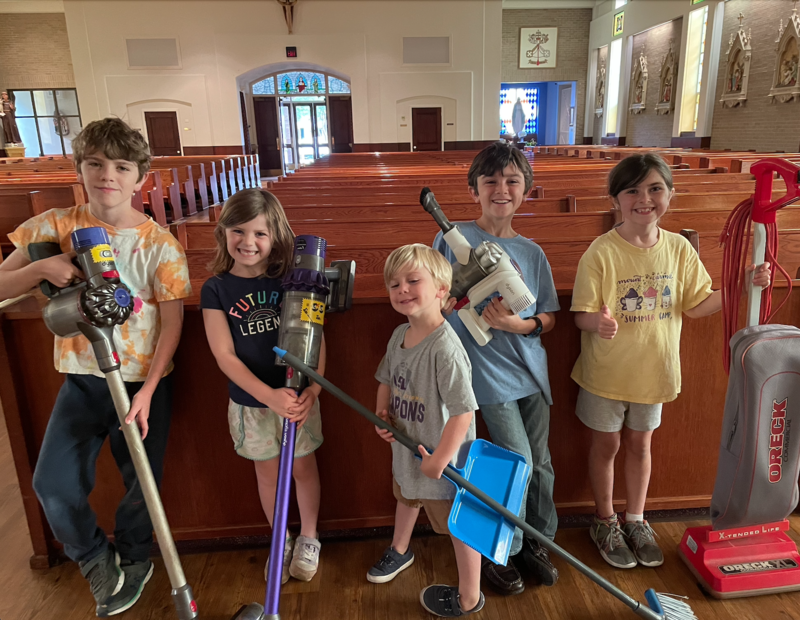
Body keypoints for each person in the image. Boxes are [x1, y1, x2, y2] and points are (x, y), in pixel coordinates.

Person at [0, 117, 192, 616]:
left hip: (143, 385)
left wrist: (149, 390)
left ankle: (135, 560)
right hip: (84, 380)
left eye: (121, 167)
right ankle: (92, 557)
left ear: (141, 178)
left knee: (140, 485)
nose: (108, 175)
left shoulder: (161, 246)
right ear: (80, 169)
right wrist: (41, 267)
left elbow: (171, 324)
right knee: (54, 484)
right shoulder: (55, 225)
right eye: (96, 164)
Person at [570, 153, 771, 570]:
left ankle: (636, 518)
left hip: (654, 371)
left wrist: (742, 285)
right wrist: (597, 323)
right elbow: (581, 314)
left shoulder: (678, 249)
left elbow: (697, 305)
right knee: (606, 445)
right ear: (616, 201)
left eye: (654, 189)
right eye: (633, 191)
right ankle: (604, 519)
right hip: (606, 373)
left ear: (670, 195)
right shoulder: (601, 252)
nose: (644, 199)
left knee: (641, 445)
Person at [433, 142, 561, 595]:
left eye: (511, 181)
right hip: (484, 372)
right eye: (490, 181)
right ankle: (503, 548)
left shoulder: (531, 252)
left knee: (541, 465)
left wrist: (516, 324)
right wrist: (444, 306)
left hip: (530, 369)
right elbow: (436, 299)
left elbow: (547, 317)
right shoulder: (453, 241)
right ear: (474, 190)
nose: (501, 189)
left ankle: (538, 542)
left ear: (525, 190)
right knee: (517, 462)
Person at [201, 188, 324, 584]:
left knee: (303, 468)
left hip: (298, 397)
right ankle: (280, 539)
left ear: (276, 237)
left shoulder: (294, 280)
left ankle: (308, 535)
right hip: (253, 402)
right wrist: (268, 396)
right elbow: (225, 356)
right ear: (223, 233)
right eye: (238, 231)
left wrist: (314, 391)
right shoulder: (216, 289)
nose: (248, 242)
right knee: (268, 474)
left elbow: (317, 338)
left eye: (259, 234)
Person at [369, 244, 483, 617]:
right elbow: (386, 378)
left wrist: (440, 460)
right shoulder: (399, 334)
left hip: (442, 459)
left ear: (441, 290)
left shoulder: (445, 348)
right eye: (394, 283)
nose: (402, 289)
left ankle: (470, 596)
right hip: (408, 447)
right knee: (405, 494)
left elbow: (463, 413)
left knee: (458, 525)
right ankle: (400, 550)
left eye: (413, 280)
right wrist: (381, 413)